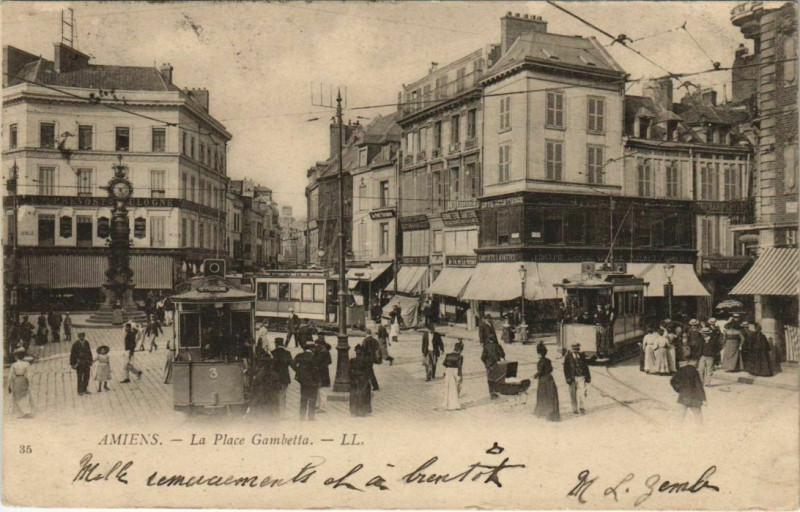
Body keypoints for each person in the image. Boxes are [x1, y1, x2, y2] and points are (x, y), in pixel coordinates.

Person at [670, 355, 706, 424]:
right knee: (698, 416)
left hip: (683, 396)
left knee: (680, 416)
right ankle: (701, 429)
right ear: (692, 362)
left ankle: (677, 430)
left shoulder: (681, 369)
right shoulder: (695, 371)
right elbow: (699, 386)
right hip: (694, 398)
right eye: (696, 362)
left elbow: (672, 381)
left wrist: (679, 389)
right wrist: (703, 399)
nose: (697, 363)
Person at [291, 342, 320, 421]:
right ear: (311, 348)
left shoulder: (300, 356)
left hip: (303, 381)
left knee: (303, 398)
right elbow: (317, 370)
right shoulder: (314, 357)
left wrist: (299, 371)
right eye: (314, 347)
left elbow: (293, 364)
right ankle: (311, 417)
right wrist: (318, 381)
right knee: (312, 399)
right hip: (313, 381)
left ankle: (302, 416)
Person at [533, 343, 560, 422]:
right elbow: (551, 369)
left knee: (542, 397)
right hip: (550, 379)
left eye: (538, 353)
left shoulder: (540, 362)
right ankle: (552, 415)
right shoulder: (548, 360)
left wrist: (535, 376)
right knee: (551, 397)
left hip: (543, 381)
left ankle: (542, 414)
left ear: (540, 354)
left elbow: (540, 371)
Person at [564, 343, 591, 414]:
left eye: (577, 349)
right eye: (574, 350)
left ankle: (582, 407)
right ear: (572, 349)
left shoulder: (581, 356)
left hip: (581, 377)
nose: (575, 351)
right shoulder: (568, 357)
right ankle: (574, 408)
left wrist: (588, 377)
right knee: (573, 393)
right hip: (572, 378)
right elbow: (566, 369)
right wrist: (568, 378)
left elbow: (586, 367)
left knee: (582, 392)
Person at [7, 348, 34, 418]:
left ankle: (19, 413)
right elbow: (30, 374)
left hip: (16, 381)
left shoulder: (14, 365)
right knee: (25, 395)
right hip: (23, 380)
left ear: (16, 357)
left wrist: (9, 385)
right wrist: (30, 382)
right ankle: (27, 411)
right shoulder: (26, 364)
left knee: (16, 396)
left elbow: (10, 376)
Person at [271, 337, 293, 418]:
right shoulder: (287, 353)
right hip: (285, 378)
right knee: (283, 396)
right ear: (282, 343)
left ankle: (275, 413)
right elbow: (292, 365)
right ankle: (282, 415)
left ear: (276, 344)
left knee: (275, 395)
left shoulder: (272, 353)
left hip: (275, 378)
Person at [349, 345, 372, 417]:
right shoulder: (355, 361)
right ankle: (361, 411)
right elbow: (369, 372)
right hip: (360, 380)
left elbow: (349, 371)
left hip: (360, 380)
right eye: (357, 353)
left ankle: (358, 411)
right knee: (360, 395)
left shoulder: (354, 361)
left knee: (358, 395)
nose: (358, 354)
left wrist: (354, 375)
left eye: (359, 353)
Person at [442, 341, 464, 411]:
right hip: (455, 371)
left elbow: (444, 363)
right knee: (455, 388)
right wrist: (460, 376)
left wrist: (449, 367)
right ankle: (454, 404)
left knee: (448, 388)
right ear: (459, 350)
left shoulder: (448, 355)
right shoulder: (460, 356)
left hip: (448, 371)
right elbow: (460, 366)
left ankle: (447, 403)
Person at [314, 335, 332, 413]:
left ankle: (323, 407)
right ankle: (319, 405)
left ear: (321, 345)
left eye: (317, 345)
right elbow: (330, 361)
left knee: (322, 390)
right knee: (319, 389)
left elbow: (318, 362)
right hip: (322, 372)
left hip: (322, 373)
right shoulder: (323, 351)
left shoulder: (323, 352)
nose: (316, 347)